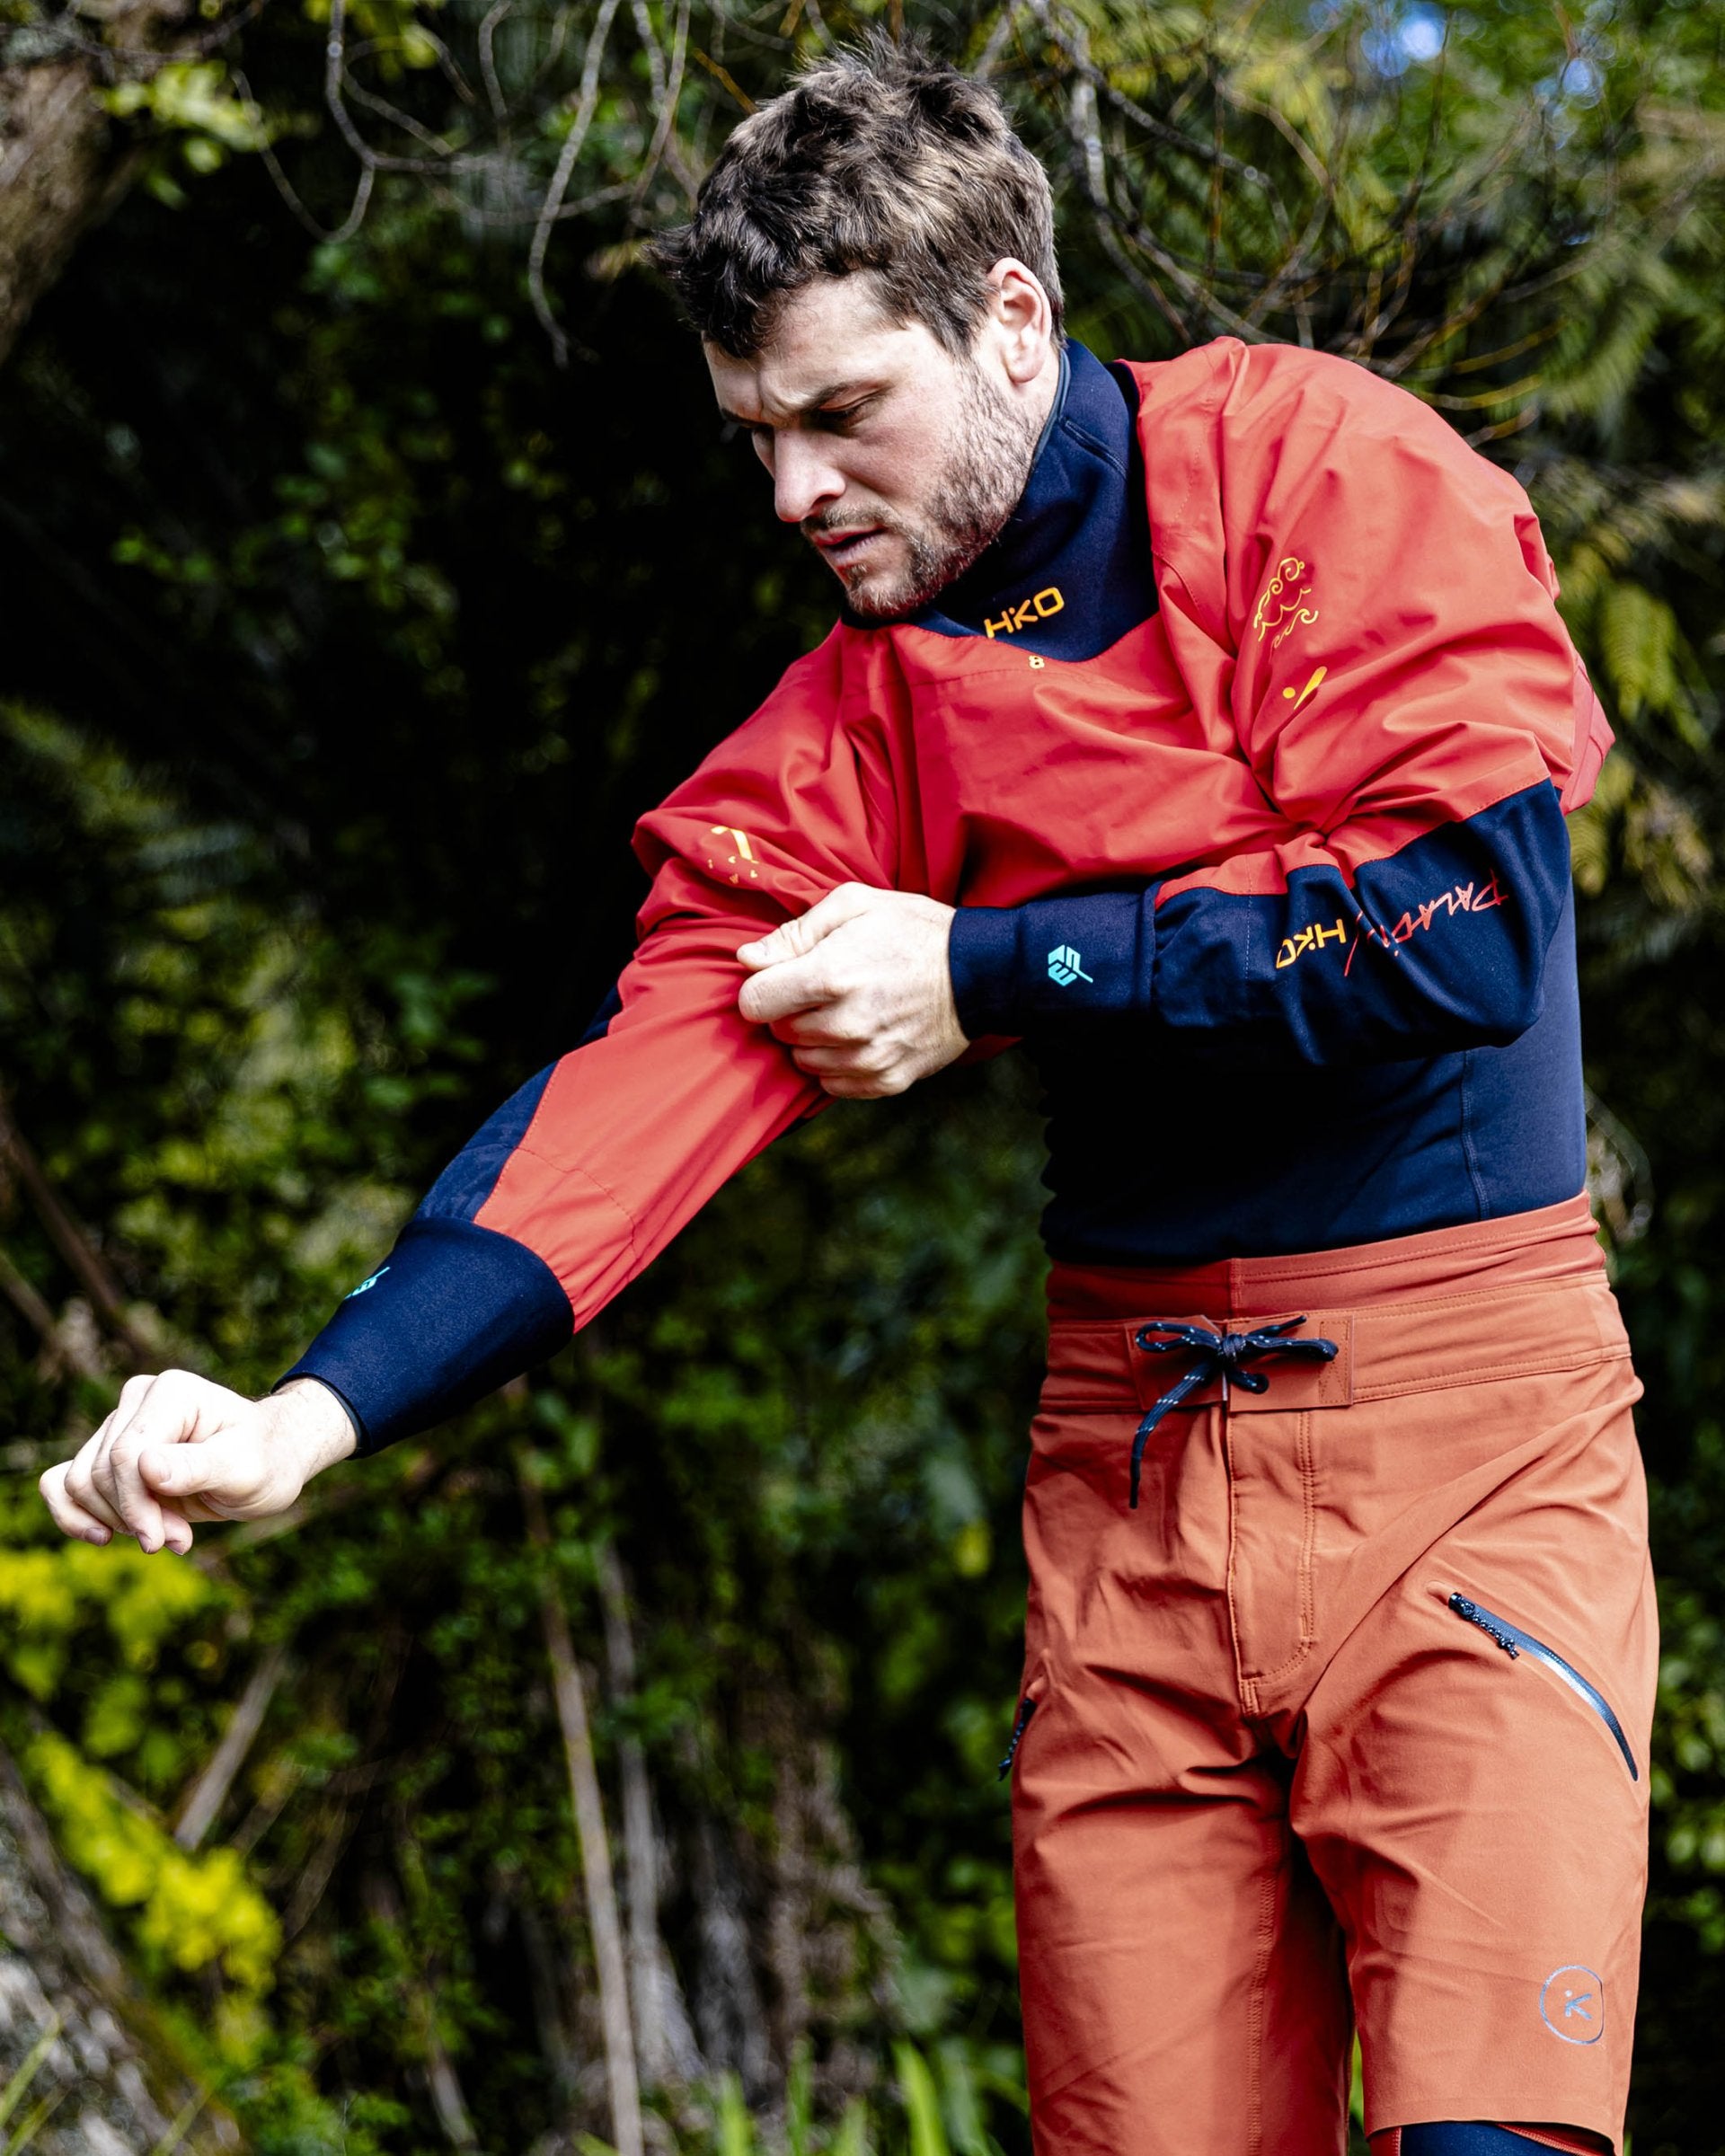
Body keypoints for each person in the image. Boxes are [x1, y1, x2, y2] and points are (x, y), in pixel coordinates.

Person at [38, 37, 1650, 2156]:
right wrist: (303, 1417)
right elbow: (628, 1110)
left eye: (838, 413)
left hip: (1473, 1446)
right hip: (1136, 1487)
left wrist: (986, 967)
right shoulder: (853, 728)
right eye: (755, 434)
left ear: (1009, 321)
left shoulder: (1318, 479)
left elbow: (1454, 929)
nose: (794, 490)